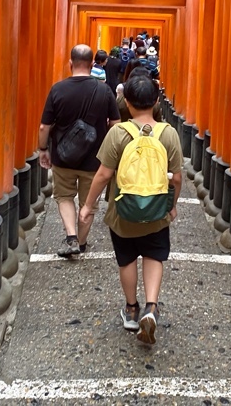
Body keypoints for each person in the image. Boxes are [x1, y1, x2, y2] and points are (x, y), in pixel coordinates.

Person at [80, 74, 182, 345]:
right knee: (154, 254)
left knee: (126, 258)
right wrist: (171, 207)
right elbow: (177, 177)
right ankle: (151, 307)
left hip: (122, 210)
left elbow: (103, 174)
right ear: (157, 101)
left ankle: (131, 309)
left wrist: (88, 206)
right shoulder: (168, 133)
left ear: (126, 101)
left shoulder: (118, 133)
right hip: (157, 209)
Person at [39, 45, 120, 257]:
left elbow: (44, 126)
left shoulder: (57, 89)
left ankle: (71, 236)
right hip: (94, 159)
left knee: (64, 196)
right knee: (88, 203)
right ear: (92, 64)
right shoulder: (105, 90)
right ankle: (82, 243)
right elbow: (116, 123)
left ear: (70, 63)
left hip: (63, 156)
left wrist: (42, 149)